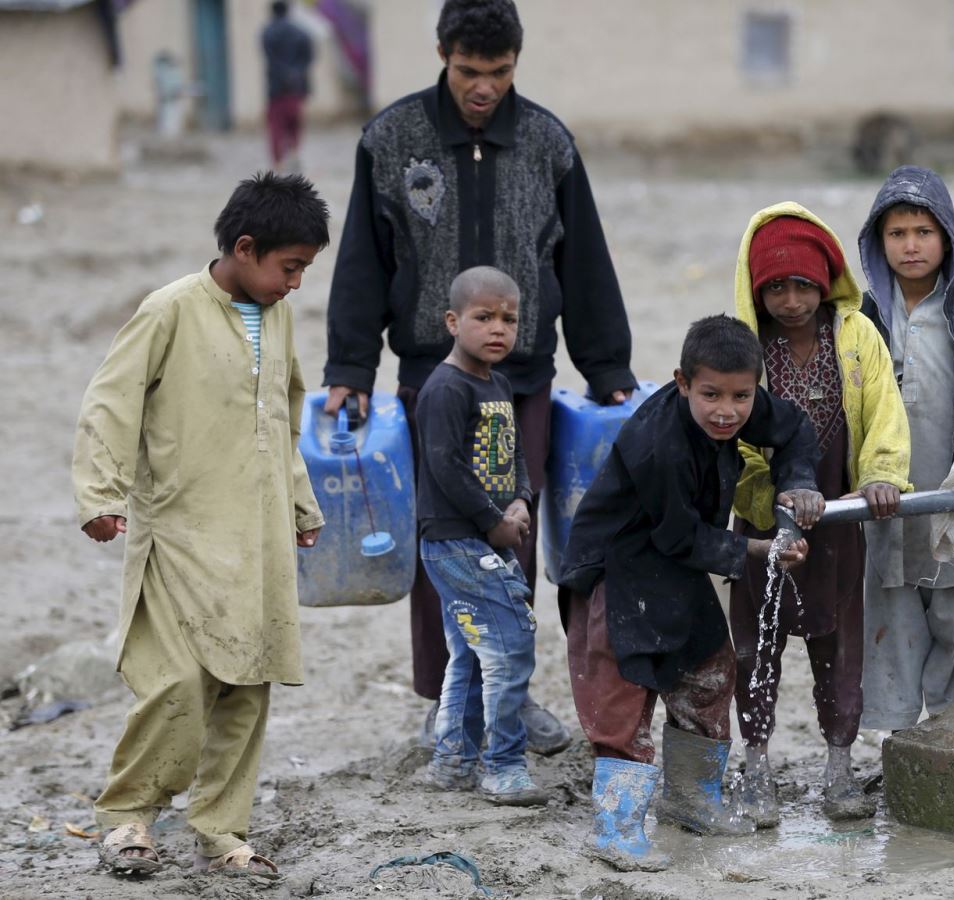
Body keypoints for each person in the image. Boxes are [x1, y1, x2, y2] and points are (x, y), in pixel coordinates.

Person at [325, 0, 637, 753]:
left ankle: (511, 691)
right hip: (429, 381)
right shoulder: (392, 138)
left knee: (511, 536)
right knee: (441, 539)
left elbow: (583, 261)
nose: (483, 88)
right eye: (469, 71)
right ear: (442, 54)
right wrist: (349, 367)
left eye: (499, 74)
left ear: (515, 65)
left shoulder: (546, 142)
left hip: (520, 382)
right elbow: (364, 263)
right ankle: (443, 700)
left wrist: (609, 366)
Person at [73, 172, 329, 878]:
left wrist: (301, 504)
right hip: (181, 537)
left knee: (249, 684)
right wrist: (100, 494)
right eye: (290, 267)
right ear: (244, 249)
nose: (297, 284)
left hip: (259, 536)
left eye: (305, 269)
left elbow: (283, 416)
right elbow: (110, 402)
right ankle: (127, 817)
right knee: (178, 684)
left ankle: (222, 829)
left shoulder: (276, 318)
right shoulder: (169, 311)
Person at [558, 315, 824, 870]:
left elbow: (796, 428)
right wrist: (759, 549)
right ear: (682, 383)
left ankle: (690, 801)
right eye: (710, 395)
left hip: (678, 560)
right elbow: (678, 535)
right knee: (624, 690)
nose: (726, 411)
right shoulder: (658, 445)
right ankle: (616, 826)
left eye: (740, 397)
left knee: (708, 670)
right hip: (618, 566)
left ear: (755, 388)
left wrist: (798, 480)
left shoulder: (739, 406)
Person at [726, 205, 911, 825]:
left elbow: (885, 408)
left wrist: (882, 475)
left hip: (838, 520)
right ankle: (755, 768)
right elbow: (731, 432)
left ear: (825, 282)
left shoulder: (857, 336)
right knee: (756, 649)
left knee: (838, 645)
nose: (791, 299)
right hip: (762, 529)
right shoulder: (745, 346)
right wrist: (770, 491)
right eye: (775, 286)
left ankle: (839, 769)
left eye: (802, 284)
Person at [854, 167, 954, 732]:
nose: (910, 246)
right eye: (896, 234)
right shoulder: (861, 322)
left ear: (948, 239)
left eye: (923, 232)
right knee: (888, 618)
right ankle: (896, 741)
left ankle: (950, 735)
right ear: (876, 242)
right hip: (883, 501)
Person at [414, 267, 547, 805]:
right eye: (484, 317)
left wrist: (521, 498)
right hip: (455, 541)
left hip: (485, 536)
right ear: (453, 321)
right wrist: (494, 523)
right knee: (511, 644)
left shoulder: (498, 383)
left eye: (509, 319)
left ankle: (453, 761)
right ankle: (504, 765)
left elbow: (513, 451)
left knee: (472, 651)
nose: (498, 329)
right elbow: (445, 467)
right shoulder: (444, 389)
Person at [261, 0, 313, 171]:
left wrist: (282, 74)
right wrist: (296, 73)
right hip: (295, 87)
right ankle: (295, 152)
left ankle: (278, 163)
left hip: (275, 88)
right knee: (295, 123)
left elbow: (270, 59)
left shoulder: (267, 33)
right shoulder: (300, 32)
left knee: (276, 126)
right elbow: (308, 57)